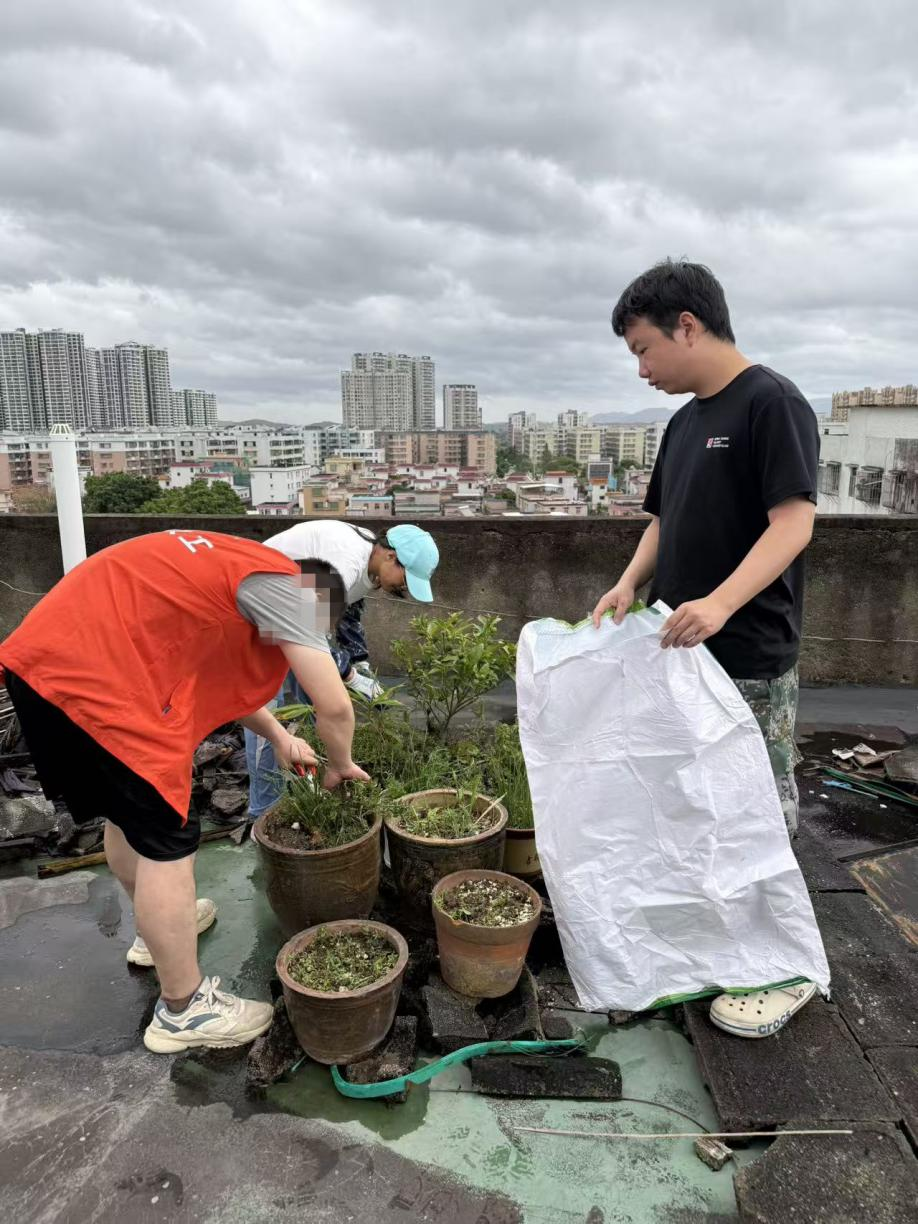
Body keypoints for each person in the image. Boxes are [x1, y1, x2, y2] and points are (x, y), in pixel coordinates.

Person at [0, 528, 370, 1054]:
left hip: (44, 671)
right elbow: (333, 705)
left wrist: (280, 737)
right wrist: (342, 765)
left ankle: (156, 934)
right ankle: (184, 1009)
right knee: (169, 841)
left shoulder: (237, 571)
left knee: (127, 816)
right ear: (319, 604)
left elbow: (216, 674)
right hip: (99, 683)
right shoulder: (292, 590)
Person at [592, 258, 820, 1039]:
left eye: (644, 349)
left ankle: (785, 967)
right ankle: (722, 942)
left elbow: (794, 521)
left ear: (687, 326)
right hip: (683, 653)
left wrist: (721, 602)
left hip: (748, 653)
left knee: (758, 809)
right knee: (698, 805)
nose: (642, 369)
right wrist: (629, 582)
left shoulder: (771, 402)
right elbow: (665, 520)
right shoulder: (685, 422)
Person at [244, 521, 440, 824]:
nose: (404, 589)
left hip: (288, 614)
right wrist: (348, 675)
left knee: (315, 702)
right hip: (253, 614)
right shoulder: (343, 561)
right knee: (268, 717)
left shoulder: (369, 559)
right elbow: (310, 629)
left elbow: (350, 609)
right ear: (391, 556)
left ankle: (317, 778)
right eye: (405, 580)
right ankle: (263, 814)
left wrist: (359, 662)